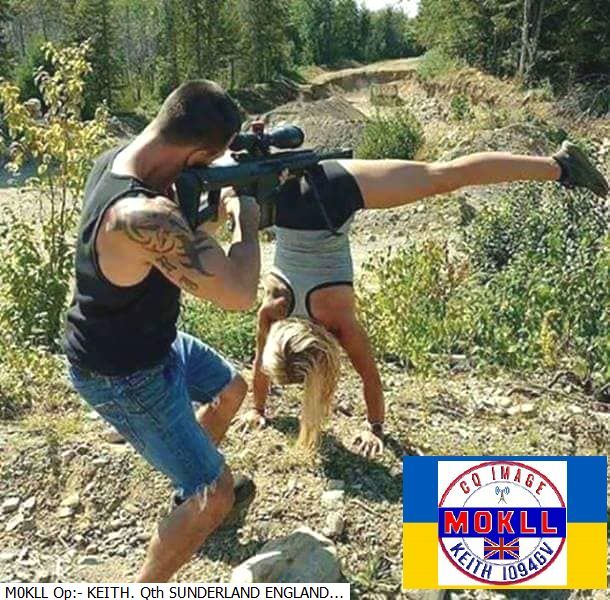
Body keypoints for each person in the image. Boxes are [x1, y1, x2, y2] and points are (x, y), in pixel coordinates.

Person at [242, 141, 608, 457]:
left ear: (324, 353)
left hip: (333, 198)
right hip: (291, 199)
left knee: (444, 178)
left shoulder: (337, 321)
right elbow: (260, 362)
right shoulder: (274, 309)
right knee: (442, 174)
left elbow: (370, 377)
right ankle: (560, 165)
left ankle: (562, 167)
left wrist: (375, 428)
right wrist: (257, 408)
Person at [62, 80, 261, 582]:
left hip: (150, 339)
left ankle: (188, 486)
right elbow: (239, 294)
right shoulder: (143, 216)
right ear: (197, 154)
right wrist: (247, 218)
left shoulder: (120, 160)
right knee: (213, 492)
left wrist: (214, 198)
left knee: (231, 389)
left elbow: (175, 242)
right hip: (121, 374)